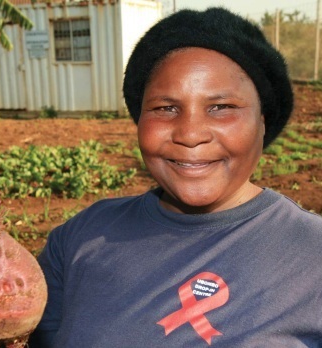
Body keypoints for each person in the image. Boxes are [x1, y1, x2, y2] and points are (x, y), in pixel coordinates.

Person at [28, 7, 322, 347]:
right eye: (165, 108)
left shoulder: (311, 254)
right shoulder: (80, 239)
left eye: (221, 107)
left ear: (263, 121)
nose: (191, 133)